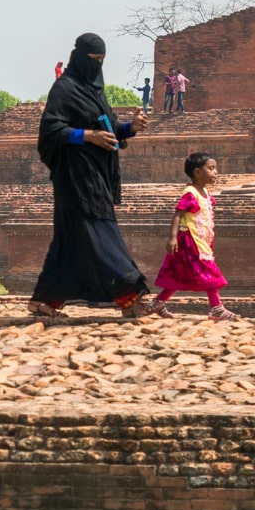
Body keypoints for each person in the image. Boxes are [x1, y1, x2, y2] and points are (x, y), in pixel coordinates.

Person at [28, 32, 154, 319]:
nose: (97, 65)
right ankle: (129, 296)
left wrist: (131, 128)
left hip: (95, 174)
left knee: (69, 241)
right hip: (76, 176)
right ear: (79, 58)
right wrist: (87, 136)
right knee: (102, 233)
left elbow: (109, 130)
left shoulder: (95, 93)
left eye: (102, 61)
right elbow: (50, 130)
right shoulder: (65, 88)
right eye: (93, 60)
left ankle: (44, 300)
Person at [150, 152, 238, 320]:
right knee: (209, 272)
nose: (216, 172)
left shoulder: (204, 192)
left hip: (200, 240)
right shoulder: (190, 192)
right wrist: (172, 237)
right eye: (211, 168)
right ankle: (216, 308)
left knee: (179, 274)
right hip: (190, 242)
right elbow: (178, 214)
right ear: (198, 172)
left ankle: (158, 302)